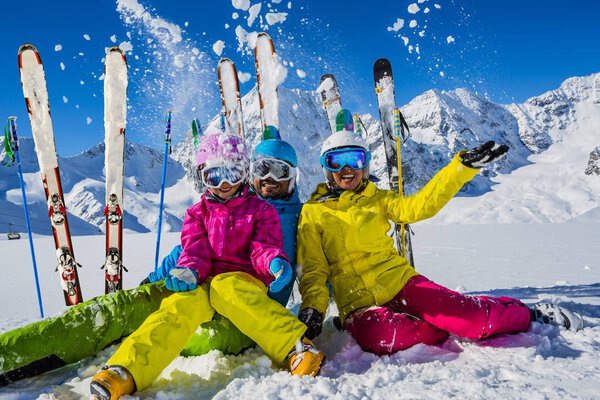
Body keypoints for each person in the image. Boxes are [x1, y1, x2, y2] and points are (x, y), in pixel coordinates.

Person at [296, 130, 583, 357]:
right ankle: (448, 323)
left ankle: (527, 313)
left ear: (365, 165)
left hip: (400, 283)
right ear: (325, 168)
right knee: (381, 337)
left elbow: (421, 206)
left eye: (355, 160)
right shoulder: (313, 212)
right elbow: (314, 269)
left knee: (472, 321)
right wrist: (314, 308)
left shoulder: (379, 200)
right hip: (357, 303)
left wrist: (459, 169)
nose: (347, 168)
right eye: (336, 161)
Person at [90, 132, 324, 400]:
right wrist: (187, 271)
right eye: (215, 177)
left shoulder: (261, 211)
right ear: (202, 176)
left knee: (228, 286)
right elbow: (193, 252)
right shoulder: (196, 214)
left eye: (232, 175)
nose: (224, 184)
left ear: (244, 173)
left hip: (243, 280)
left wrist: (273, 262)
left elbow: (262, 247)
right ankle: (124, 370)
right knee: (179, 306)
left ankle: (296, 348)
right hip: (205, 281)